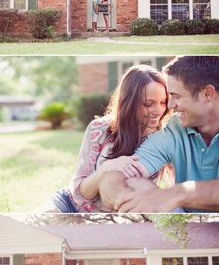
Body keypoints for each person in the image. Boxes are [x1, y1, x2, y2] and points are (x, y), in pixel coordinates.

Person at [98, 55, 219, 214]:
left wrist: (175, 194)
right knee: (136, 183)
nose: (169, 106)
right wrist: (128, 199)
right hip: (190, 231)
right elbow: (115, 177)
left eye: (176, 96)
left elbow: (168, 196)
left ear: (207, 94)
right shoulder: (175, 130)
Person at [52, 64, 172, 212]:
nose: (158, 111)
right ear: (129, 102)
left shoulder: (164, 139)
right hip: (71, 206)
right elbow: (79, 193)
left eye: (163, 102)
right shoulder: (99, 129)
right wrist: (107, 168)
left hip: (116, 218)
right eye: (148, 104)